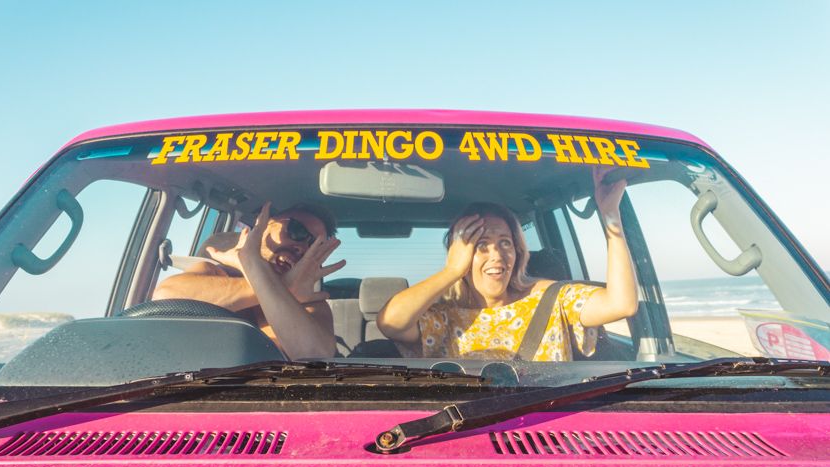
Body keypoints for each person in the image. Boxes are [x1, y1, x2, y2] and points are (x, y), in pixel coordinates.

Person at [376, 167, 639, 361]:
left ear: (518, 251)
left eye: (505, 243)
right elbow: (390, 322)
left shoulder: (553, 300)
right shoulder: (444, 318)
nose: (497, 256)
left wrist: (610, 216)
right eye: (481, 246)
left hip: (545, 431)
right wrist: (452, 271)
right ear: (461, 257)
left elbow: (621, 304)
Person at [154, 202, 344, 359]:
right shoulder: (214, 273)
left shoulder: (310, 303)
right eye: (297, 231)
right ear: (265, 224)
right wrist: (283, 286)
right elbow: (165, 298)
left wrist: (276, 284)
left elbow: (314, 355)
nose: (301, 247)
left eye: (313, 246)